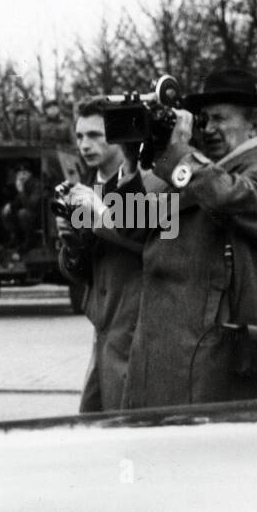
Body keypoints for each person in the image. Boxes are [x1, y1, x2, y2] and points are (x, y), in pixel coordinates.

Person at [123, 66, 257, 407]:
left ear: (256, 124)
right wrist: (132, 166)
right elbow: (131, 223)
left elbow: (227, 197)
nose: (209, 129)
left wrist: (178, 156)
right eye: (203, 120)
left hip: (219, 358)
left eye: (219, 118)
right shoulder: (193, 173)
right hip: (169, 357)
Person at [56, 99, 159, 411]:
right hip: (103, 334)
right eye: (79, 136)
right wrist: (70, 242)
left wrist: (98, 214)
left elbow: (154, 246)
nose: (85, 145)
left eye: (95, 135)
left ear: (118, 136)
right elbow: (80, 273)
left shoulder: (150, 184)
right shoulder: (86, 188)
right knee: (92, 420)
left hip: (138, 332)